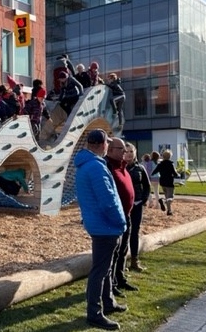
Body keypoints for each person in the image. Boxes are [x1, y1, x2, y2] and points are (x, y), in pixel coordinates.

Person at [74, 129, 127, 331]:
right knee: (100, 270)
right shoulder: (95, 167)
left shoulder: (87, 164)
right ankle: (94, 313)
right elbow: (108, 201)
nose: (108, 146)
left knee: (106, 268)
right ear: (100, 144)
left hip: (101, 225)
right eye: (107, 143)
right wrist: (121, 222)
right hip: (106, 227)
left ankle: (108, 302)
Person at [104, 137, 138, 297]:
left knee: (123, 249)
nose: (125, 153)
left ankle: (120, 277)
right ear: (110, 150)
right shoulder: (107, 167)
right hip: (115, 217)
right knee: (114, 252)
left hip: (127, 215)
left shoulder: (123, 166)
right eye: (121, 150)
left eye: (126, 150)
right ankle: (111, 284)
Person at [124, 143, 150, 272]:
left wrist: (143, 200)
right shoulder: (119, 168)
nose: (128, 154)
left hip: (137, 204)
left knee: (134, 232)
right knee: (123, 232)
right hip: (123, 206)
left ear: (135, 153)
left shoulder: (140, 168)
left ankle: (134, 260)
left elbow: (147, 186)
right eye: (126, 151)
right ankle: (121, 263)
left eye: (131, 151)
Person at [151, 149, 180, 216]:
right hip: (169, 182)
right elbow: (174, 173)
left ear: (163, 156)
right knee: (171, 197)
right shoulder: (171, 164)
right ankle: (163, 201)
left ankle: (169, 211)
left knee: (167, 196)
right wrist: (178, 175)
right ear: (170, 157)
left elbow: (154, 172)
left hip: (162, 182)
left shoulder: (160, 164)